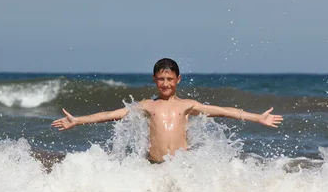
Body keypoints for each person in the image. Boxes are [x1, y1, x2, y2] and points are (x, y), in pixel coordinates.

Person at [51, 58, 283, 163]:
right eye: (161, 79)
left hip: (180, 168)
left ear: (178, 79)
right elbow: (112, 114)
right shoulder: (146, 106)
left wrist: (256, 117)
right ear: (154, 79)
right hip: (154, 167)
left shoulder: (187, 105)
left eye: (169, 79)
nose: (165, 84)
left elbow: (223, 110)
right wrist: (78, 120)